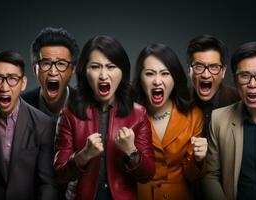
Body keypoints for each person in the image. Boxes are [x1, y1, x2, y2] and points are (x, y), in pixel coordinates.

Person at [54, 35, 155, 200]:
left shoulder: (138, 114)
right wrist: (84, 154)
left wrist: (131, 151)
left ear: (122, 72)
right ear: (84, 72)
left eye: (111, 66)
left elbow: (147, 175)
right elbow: (59, 174)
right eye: (95, 67)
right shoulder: (69, 114)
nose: (103, 75)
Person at [0, 51, 57, 200]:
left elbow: (47, 184)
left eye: (12, 79)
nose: (5, 88)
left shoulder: (44, 125)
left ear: (23, 83)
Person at [203, 41, 256, 200]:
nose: (252, 84)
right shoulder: (219, 119)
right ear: (235, 80)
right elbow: (211, 175)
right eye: (244, 76)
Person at [133, 43, 207, 200]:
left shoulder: (194, 116)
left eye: (165, 74)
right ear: (140, 78)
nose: (157, 81)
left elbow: (191, 175)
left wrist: (199, 160)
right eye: (150, 74)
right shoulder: (128, 115)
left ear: (175, 78)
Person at [187, 34, 240, 137]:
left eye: (214, 67)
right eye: (199, 67)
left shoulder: (239, 101)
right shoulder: (178, 102)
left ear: (223, 71)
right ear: (189, 70)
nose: (206, 75)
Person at [22, 27, 79, 121]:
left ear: (73, 69)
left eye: (61, 64)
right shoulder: (20, 108)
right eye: (46, 63)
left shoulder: (87, 107)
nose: (53, 72)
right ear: (34, 69)